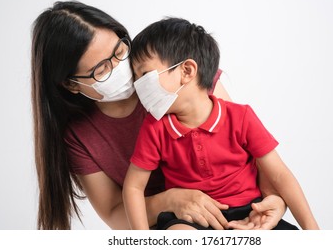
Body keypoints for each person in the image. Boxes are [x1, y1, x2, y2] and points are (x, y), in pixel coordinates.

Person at [31, 0, 290, 230]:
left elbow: (249, 147)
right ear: (72, 84)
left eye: (120, 51)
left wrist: (273, 199)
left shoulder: (172, 77)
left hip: (242, 210)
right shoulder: (79, 135)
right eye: (101, 69)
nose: (121, 68)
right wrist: (170, 201)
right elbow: (114, 214)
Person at [123, 17, 319, 230]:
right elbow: (133, 187)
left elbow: (280, 175)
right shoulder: (154, 128)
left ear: (187, 71)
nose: (138, 85)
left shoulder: (241, 117)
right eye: (135, 77)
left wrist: (312, 231)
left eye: (144, 74)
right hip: (191, 219)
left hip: (251, 213)